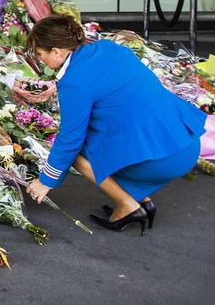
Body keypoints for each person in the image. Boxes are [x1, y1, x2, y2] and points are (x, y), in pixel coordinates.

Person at [25, 16, 208, 233]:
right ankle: (141, 199)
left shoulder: (73, 82)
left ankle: (127, 204)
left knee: (76, 152)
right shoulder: (108, 47)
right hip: (186, 141)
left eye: (40, 54)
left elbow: (70, 139)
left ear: (57, 51)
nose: (40, 60)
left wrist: (46, 181)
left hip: (162, 160)